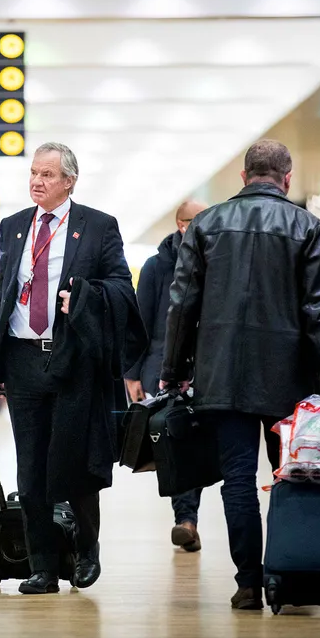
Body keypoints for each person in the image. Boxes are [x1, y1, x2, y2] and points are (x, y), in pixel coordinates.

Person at [162, 139, 320, 610]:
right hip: (290, 378)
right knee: (291, 475)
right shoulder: (307, 226)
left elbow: (182, 304)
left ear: (244, 177)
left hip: (222, 375)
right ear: (287, 178)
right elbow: (319, 309)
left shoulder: (205, 224)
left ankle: (248, 583)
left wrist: (174, 370)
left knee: (238, 479)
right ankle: (287, 580)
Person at [0, 142, 146, 595]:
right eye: (33, 173)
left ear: (69, 181)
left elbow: (121, 287)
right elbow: (4, 298)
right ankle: (42, 566)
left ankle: (87, 549)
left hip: (72, 357)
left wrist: (86, 299)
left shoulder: (98, 226)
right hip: (21, 358)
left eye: (47, 175)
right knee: (31, 467)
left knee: (73, 459)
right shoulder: (14, 227)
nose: (37, 181)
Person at [124, 200, 211, 553]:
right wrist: (131, 373)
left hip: (206, 369)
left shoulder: (215, 262)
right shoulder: (157, 267)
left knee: (199, 445)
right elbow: (140, 322)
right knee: (177, 443)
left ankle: (187, 518)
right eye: (197, 221)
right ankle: (185, 519)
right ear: (180, 224)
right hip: (163, 370)